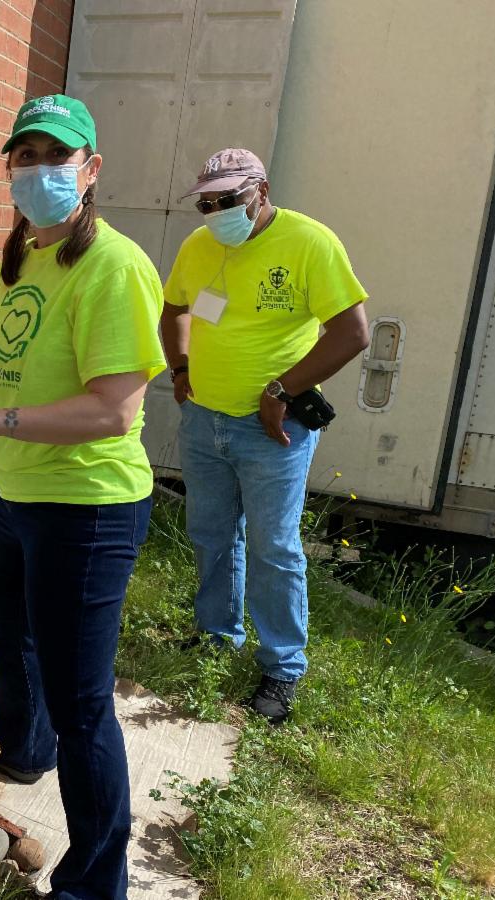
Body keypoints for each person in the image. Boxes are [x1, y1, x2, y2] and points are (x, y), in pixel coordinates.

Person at [0, 94, 165, 900]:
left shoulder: (114, 267)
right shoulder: (18, 265)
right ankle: (21, 750)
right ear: (9, 168)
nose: (40, 170)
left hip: (87, 509)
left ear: (91, 168)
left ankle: (93, 885)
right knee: (11, 642)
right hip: (18, 495)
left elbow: (113, 409)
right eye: (26, 156)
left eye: (57, 156)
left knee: (83, 706)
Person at [161, 148, 370, 724]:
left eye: (228, 200)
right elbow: (174, 308)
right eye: (207, 203)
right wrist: (180, 368)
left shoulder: (309, 243)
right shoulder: (198, 246)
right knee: (210, 533)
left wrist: (282, 389)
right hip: (204, 420)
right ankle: (216, 634)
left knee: (273, 547)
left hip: (273, 431)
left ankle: (282, 666)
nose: (217, 212)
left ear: (261, 191)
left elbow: (352, 333)